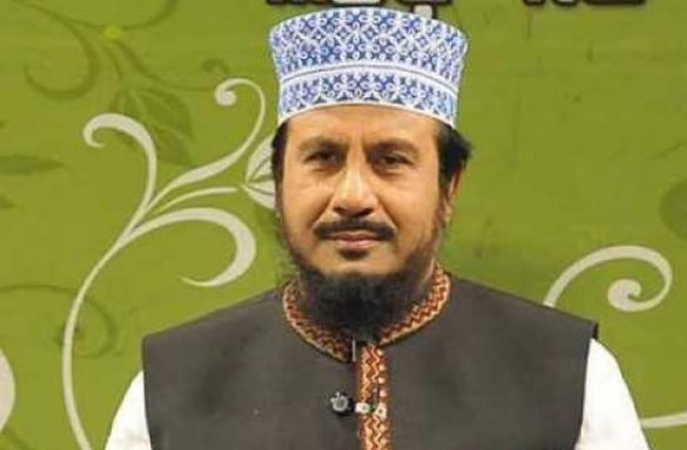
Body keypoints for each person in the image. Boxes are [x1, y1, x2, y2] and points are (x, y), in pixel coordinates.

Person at [105, 6, 651, 450]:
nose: (353, 196)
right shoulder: (174, 383)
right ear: (279, 179)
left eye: (390, 160)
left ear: (449, 186)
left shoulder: (568, 375)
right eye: (323, 158)